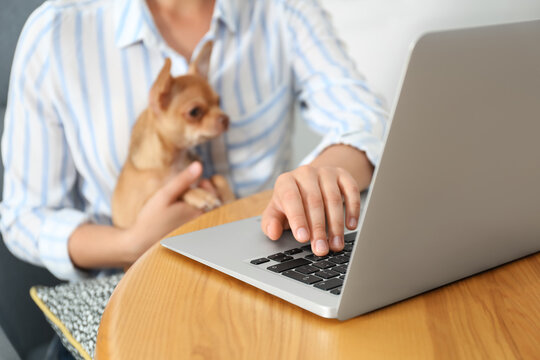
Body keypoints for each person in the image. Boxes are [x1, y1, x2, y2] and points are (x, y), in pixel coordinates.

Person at [0, 0, 387, 282]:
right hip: (127, 285)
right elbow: (24, 216)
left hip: (263, 267)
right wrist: (128, 244)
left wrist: (316, 176)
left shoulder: (283, 10)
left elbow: (366, 119)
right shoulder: (57, 33)